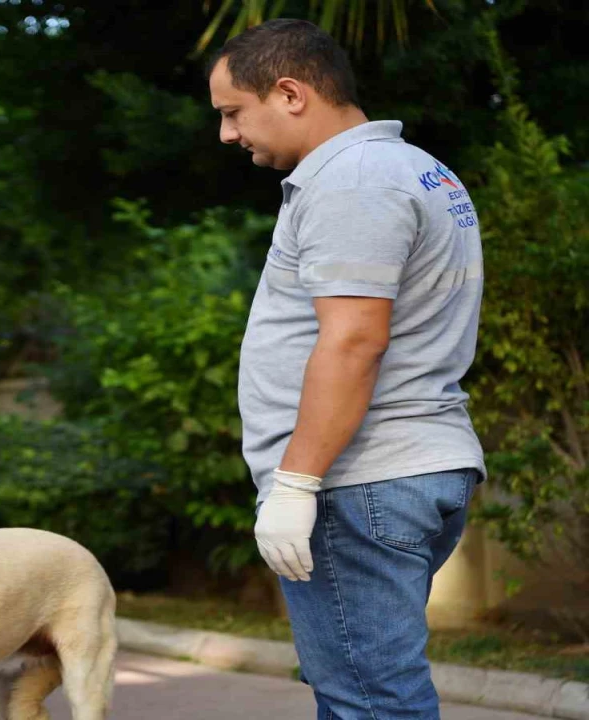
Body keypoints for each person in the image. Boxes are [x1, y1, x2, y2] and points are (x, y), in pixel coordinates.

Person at [209, 19, 485, 720]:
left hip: (357, 480)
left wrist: (297, 483)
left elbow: (356, 341)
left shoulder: (354, 182)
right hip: (398, 469)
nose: (228, 134)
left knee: (371, 702)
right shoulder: (412, 168)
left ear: (290, 93)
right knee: (362, 692)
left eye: (234, 112)